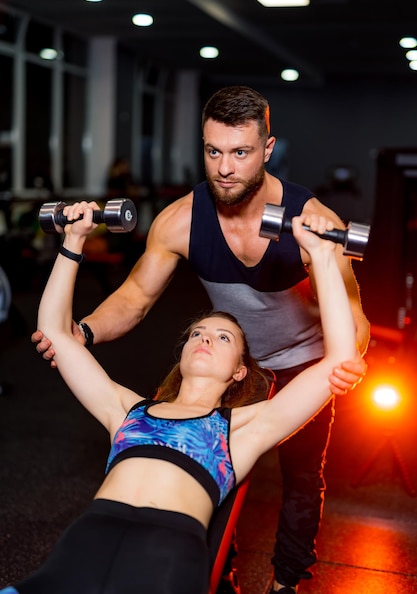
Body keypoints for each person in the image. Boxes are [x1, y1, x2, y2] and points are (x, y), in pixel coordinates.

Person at [32, 86, 369, 593]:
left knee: (301, 477)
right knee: (205, 464)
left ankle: (286, 582)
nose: (226, 168)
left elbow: (354, 318)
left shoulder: (312, 223)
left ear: (267, 149)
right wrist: (80, 333)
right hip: (232, 357)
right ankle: (221, 576)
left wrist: (351, 358)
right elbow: (136, 298)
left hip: (303, 357)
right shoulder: (181, 221)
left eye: (240, 152)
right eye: (214, 152)